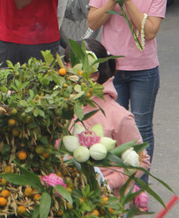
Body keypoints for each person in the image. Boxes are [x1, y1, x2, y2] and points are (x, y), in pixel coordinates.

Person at [88, 0, 167, 170]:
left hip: (144, 70)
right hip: (111, 69)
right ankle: (113, 185)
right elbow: (93, 22)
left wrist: (129, 0)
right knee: (109, 128)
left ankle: (139, 188)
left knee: (141, 129)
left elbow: (150, 31)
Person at [63, 39, 151, 194]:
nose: (65, 70)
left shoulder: (118, 116)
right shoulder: (61, 107)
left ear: (94, 75)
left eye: (70, 65)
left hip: (104, 203)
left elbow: (142, 160)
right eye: (65, 63)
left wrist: (108, 183)